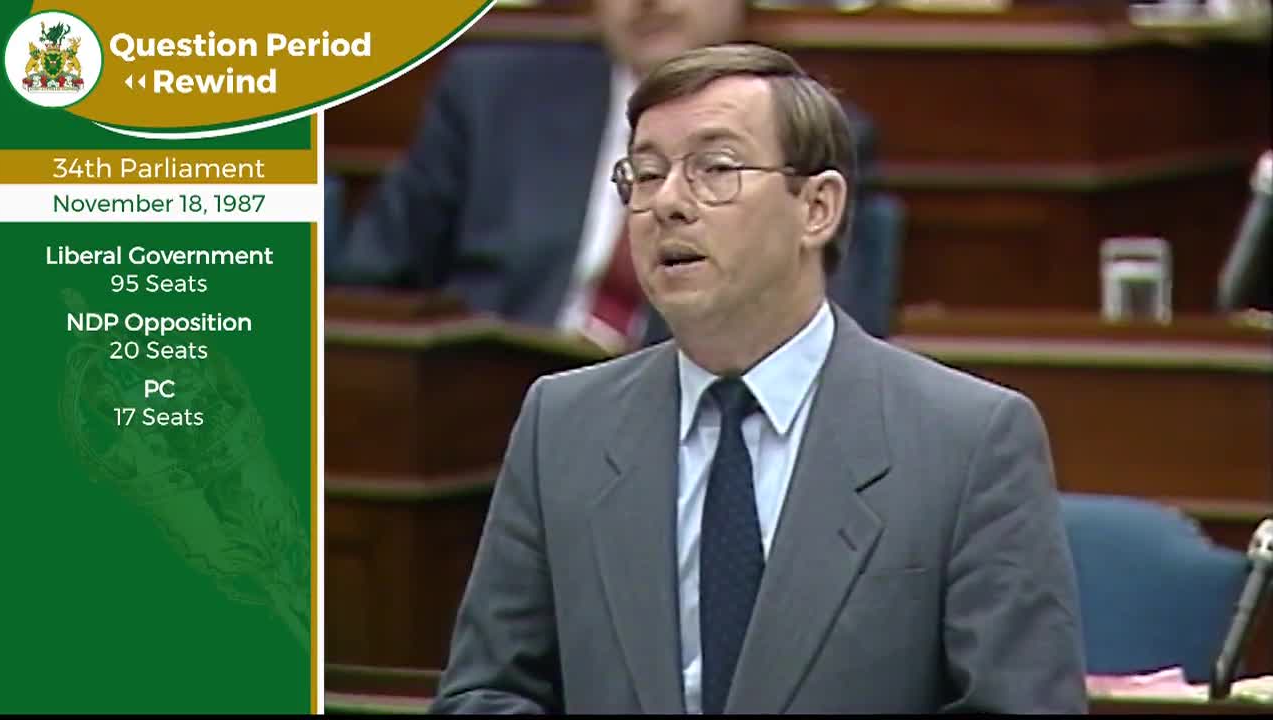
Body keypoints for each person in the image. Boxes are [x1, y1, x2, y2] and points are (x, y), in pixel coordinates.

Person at [427, 43, 1087, 714]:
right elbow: (488, 692)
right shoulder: (561, 423)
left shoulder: (968, 440)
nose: (668, 204)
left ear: (817, 208)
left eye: (715, 168)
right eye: (646, 174)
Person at [326, 0, 897, 351]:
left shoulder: (808, 131)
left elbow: (817, 341)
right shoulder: (488, 99)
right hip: (480, 433)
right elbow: (368, 288)